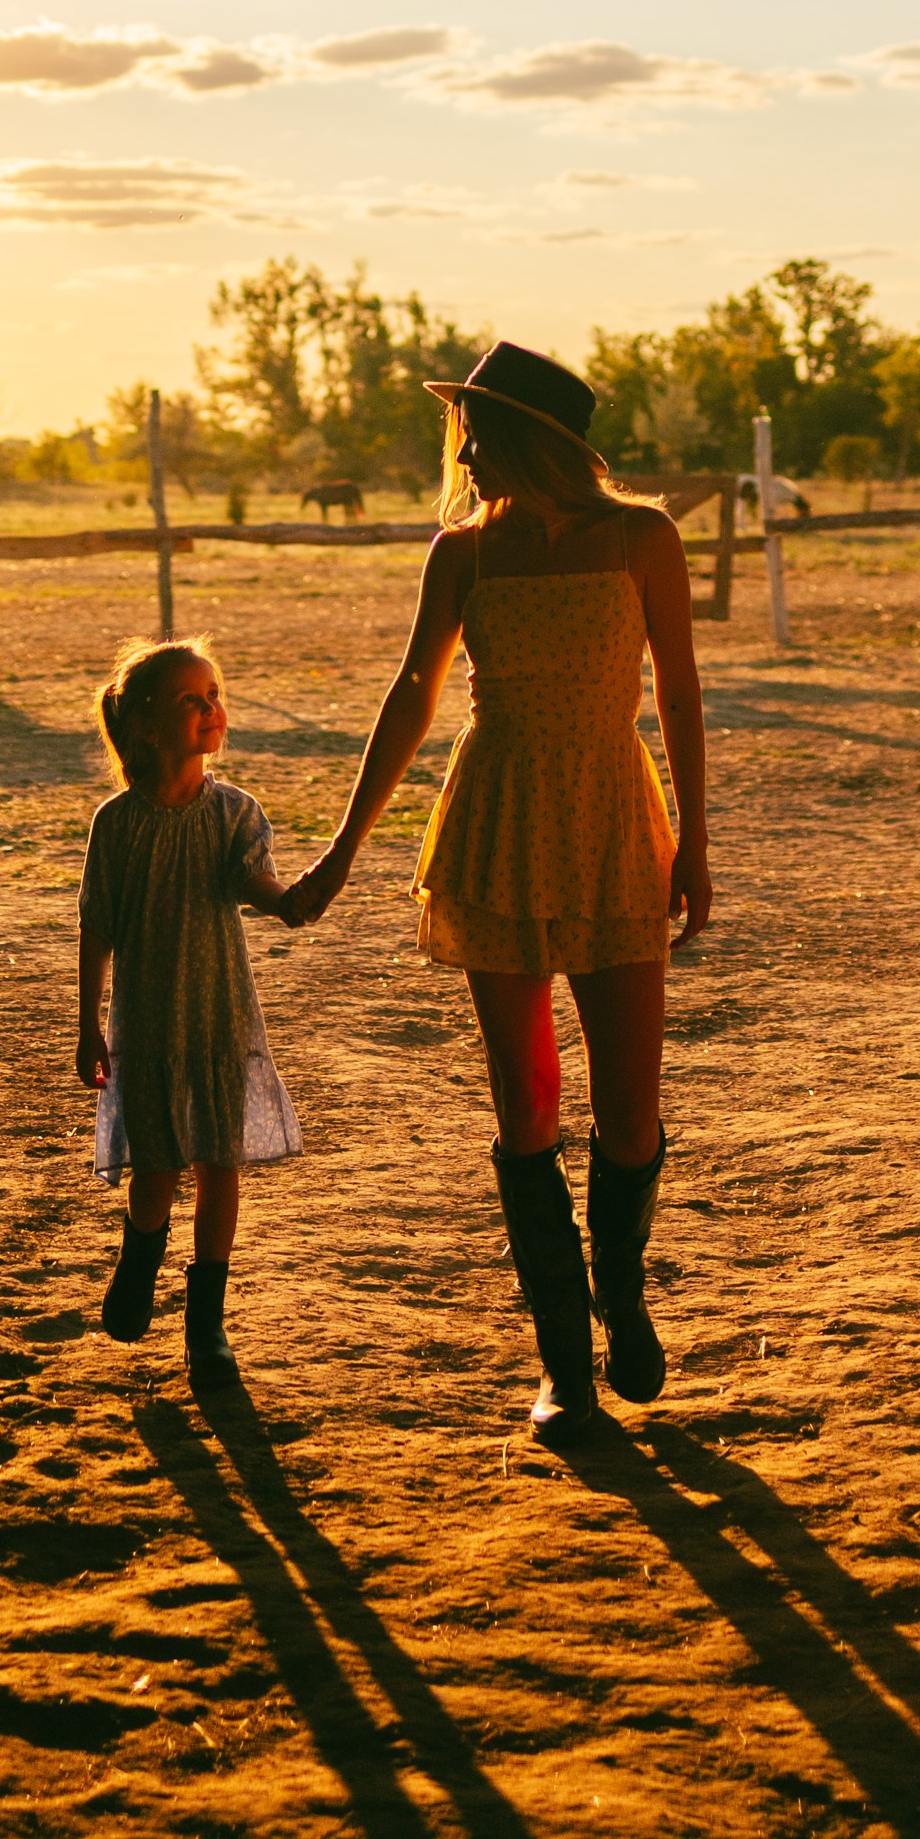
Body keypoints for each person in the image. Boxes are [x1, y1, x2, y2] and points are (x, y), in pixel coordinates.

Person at [283, 343, 712, 1440]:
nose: (463, 449)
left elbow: (680, 690)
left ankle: (619, 1285)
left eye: (477, 427)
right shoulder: (462, 553)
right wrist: (342, 849)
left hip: (616, 819)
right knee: (527, 1108)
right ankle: (563, 1366)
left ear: (534, 437)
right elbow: (412, 696)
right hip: (499, 820)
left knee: (629, 1117)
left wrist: (698, 841)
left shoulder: (641, 536)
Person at [77, 636, 301, 1376]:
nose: (211, 709)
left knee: (219, 1162)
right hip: (143, 1020)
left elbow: (256, 884)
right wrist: (87, 1022)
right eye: (190, 701)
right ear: (146, 725)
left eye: (214, 695)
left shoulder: (234, 812)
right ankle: (141, 1256)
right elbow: (98, 925)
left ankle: (208, 1323)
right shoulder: (118, 822)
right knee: (159, 1168)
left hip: (218, 1013)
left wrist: (294, 899)